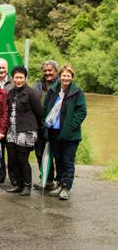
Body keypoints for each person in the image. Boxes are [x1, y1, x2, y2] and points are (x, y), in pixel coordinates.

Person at [43, 65, 87, 200]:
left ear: (72, 77)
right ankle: (59, 184)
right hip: (54, 132)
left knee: (67, 161)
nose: (66, 78)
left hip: (70, 134)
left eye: (69, 76)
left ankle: (66, 187)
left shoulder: (77, 92)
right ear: (59, 76)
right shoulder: (53, 90)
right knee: (58, 161)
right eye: (64, 75)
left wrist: (71, 126)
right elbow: (46, 108)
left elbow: (82, 112)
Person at [5, 66, 42, 196]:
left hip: (26, 131)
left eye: (21, 77)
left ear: (25, 78)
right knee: (13, 159)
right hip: (12, 131)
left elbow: (39, 113)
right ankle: (18, 184)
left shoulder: (31, 93)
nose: (19, 80)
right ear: (13, 78)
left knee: (22, 159)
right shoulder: (11, 93)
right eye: (16, 77)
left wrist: (37, 131)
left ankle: (27, 185)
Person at [32, 60, 59, 191]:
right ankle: (47, 180)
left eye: (50, 70)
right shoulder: (37, 86)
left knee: (58, 155)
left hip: (56, 126)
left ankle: (60, 182)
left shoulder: (61, 85)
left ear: (56, 71)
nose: (47, 73)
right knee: (40, 153)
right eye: (45, 71)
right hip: (39, 126)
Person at [0, 57, 14, 186]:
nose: (1, 70)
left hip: (12, 123)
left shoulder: (14, 82)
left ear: (7, 69)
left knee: (12, 152)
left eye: (3, 68)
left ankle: (14, 179)